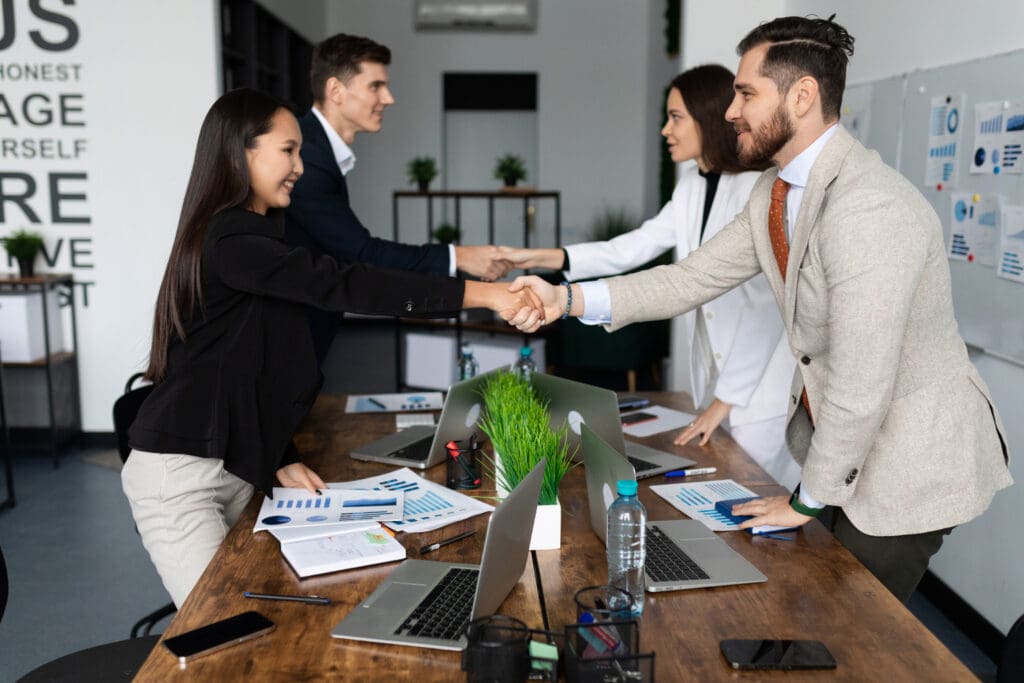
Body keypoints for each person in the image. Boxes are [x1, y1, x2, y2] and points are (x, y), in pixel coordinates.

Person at [506, 15, 1012, 602]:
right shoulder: (776, 191)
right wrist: (565, 298)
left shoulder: (869, 208)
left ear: (802, 96)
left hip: (913, 463)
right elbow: (690, 278)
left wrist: (805, 498)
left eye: (746, 93)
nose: (729, 111)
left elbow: (861, 375)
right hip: (851, 452)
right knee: (812, 604)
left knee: (846, 620)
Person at [122, 88, 533, 608]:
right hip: (180, 481)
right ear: (240, 153)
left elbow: (251, 366)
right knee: (221, 628)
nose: (299, 166)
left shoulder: (257, 236)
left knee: (268, 619)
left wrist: (281, 454)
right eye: (288, 151)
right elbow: (349, 283)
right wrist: (484, 295)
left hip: (233, 465)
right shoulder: (232, 243)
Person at [498, 65, 800, 489]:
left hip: (755, 393)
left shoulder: (758, 189)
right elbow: (632, 248)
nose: (665, 130)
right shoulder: (693, 183)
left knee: (762, 513)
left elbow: (766, 304)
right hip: (714, 385)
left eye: (676, 117)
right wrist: (540, 256)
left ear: (708, 117)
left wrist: (725, 401)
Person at [285, 33, 513, 360]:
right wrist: (459, 257)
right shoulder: (308, 154)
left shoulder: (318, 148)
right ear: (335, 90)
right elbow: (361, 253)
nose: (388, 98)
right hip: (289, 335)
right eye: (375, 86)